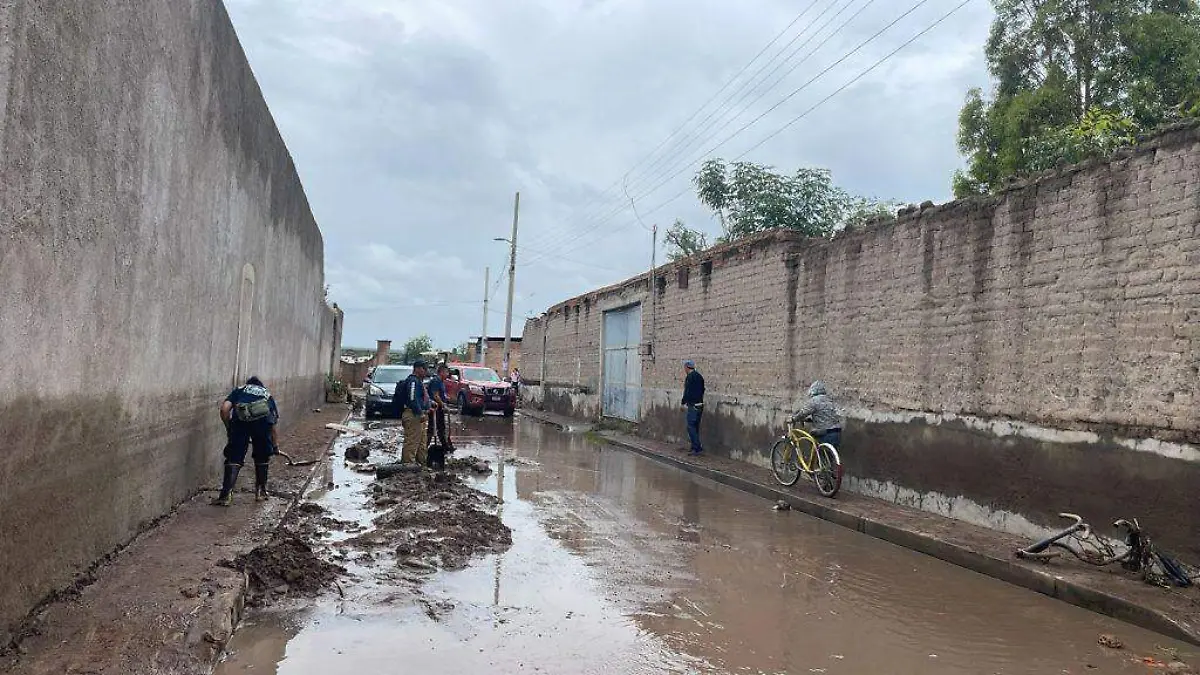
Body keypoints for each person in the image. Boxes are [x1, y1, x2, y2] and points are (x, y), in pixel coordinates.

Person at [212, 376, 279, 506]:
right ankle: (261, 492)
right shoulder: (267, 394)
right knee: (262, 455)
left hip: (240, 422)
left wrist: (229, 428)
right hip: (263, 424)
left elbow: (224, 409)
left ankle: (225, 496)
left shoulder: (240, 390)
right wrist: (275, 446)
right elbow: (273, 425)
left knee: (234, 457)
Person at [790, 380, 844, 450]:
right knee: (829, 457)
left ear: (812, 391)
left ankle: (814, 458)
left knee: (812, 436)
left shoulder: (813, 401)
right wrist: (811, 420)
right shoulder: (829, 399)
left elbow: (803, 413)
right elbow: (827, 416)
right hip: (837, 432)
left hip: (825, 434)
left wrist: (794, 419)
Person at [396, 360, 431, 465]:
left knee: (422, 443)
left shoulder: (419, 381)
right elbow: (412, 399)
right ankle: (408, 465)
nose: (425, 372)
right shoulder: (413, 381)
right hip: (413, 414)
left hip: (420, 415)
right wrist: (420, 413)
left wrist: (429, 404)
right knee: (412, 442)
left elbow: (420, 398)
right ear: (418, 369)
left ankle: (421, 463)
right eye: (424, 369)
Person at [426, 363, 455, 454]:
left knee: (441, 428)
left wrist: (446, 398)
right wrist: (443, 405)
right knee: (432, 428)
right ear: (441, 372)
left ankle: (445, 446)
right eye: (447, 372)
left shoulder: (441, 382)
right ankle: (424, 448)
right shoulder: (436, 381)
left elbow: (441, 394)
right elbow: (435, 395)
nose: (448, 374)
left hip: (439, 408)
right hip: (435, 409)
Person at [681, 360, 705, 456]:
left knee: (690, 426)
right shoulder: (699, 376)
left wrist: (683, 402)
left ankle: (697, 447)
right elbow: (703, 389)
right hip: (700, 404)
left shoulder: (689, 377)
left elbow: (687, 391)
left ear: (687, 367)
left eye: (684, 368)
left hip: (693, 405)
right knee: (696, 427)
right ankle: (694, 446)